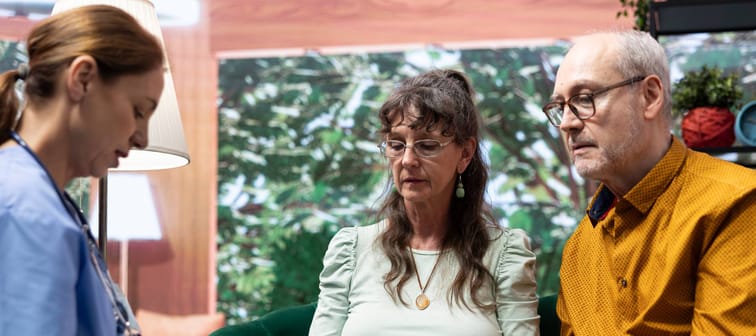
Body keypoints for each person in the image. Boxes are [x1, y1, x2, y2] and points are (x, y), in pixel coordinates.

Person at [542, 30, 756, 335]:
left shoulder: (736, 202)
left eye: (584, 98)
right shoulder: (580, 246)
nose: (567, 123)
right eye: (560, 107)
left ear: (650, 96)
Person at [309, 69, 539, 336]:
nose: (407, 160)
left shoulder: (505, 253)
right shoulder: (351, 250)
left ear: (465, 154)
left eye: (427, 146)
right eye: (396, 145)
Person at [0, 5, 164, 335]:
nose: (143, 139)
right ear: (82, 79)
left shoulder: (46, 203)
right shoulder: (28, 213)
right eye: (139, 111)